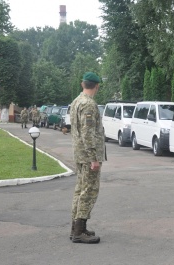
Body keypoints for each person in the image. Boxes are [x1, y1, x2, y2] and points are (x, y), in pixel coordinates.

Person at [69, 72, 105, 244]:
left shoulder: (76, 101)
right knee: (89, 191)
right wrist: (94, 158)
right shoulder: (89, 104)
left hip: (79, 153)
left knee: (79, 190)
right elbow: (87, 133)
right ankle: (78, 231)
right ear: (96, 86)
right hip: (88, 155)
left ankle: (76, 228)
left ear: (83, 84)